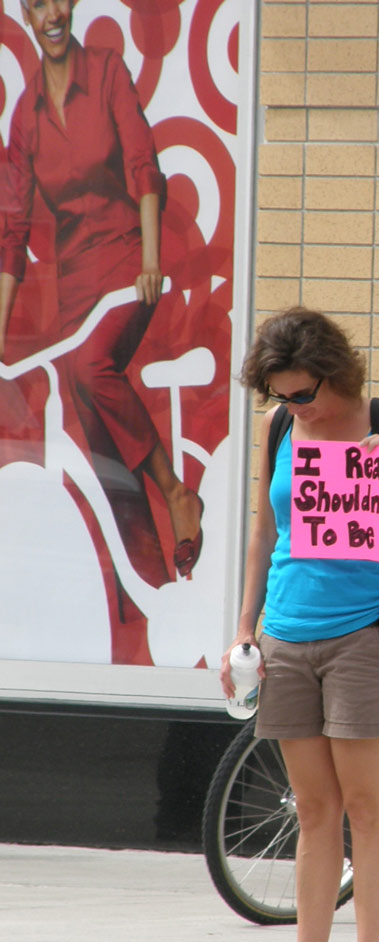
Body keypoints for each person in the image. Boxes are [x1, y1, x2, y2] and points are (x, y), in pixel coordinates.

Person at [223, 307, 379, 942]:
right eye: (280, 394)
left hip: (363, 635)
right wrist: (245, 629)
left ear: (334, 372)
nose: (293, 405)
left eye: (303, 393)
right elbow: (264, 533)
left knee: (366, 805)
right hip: (286, 635)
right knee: (313, 809)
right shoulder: (280, 426)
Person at [0, 0, 203, 589]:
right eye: (37, 5)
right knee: (100, 442)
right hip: (74, 288)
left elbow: (144, 165)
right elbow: (12, 233)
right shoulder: (26, 115)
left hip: (126, 262)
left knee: (92, 366)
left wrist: (150, 261)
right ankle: (150, 584)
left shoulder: (108, 69)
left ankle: (176, 491)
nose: (52, 14)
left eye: (58, 0)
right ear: (25, 15)